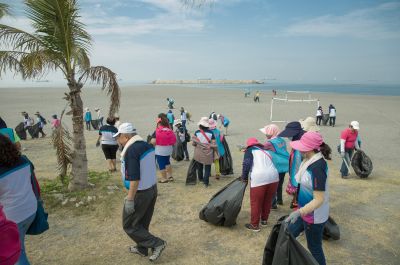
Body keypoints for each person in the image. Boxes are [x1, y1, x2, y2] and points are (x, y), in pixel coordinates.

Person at [114, 123, 167, 262]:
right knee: (142, 223)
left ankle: (157, 243)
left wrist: (130, 199)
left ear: (125, 137)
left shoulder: (131, 151)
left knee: (130, 225)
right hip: (152, 189)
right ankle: (142, 248)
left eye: (118, 137)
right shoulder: (146, 145)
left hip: (141, 193)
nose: (117, 140)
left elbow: (135, 178)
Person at [285, 131, 332, 265]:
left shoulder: (317, 168)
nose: (298, 149)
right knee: (288, 234)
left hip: (313, 217)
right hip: (304, 211)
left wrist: (299, 212)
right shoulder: (308, 161)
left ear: (310, 148)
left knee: (314, 247)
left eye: (301, 146)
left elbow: (319, 199)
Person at [0, 134, 37, 265]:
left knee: (17, 256)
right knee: (17, 248)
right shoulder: (23, 160)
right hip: (30, 209)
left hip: (14, 216)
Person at [241, 138, 279, 232]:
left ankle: (254, 225)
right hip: (274, 177)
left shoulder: (250, 150)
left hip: (259, 178)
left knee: (256, 202)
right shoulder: (266, 151)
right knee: (267, 200)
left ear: (249, 145)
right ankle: (264, 220)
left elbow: (246, 164)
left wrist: (244, 177)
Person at [259, 124, 289, 209]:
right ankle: (280, 200)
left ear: (271, 133)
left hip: (276, 166)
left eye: (267, 132)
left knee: (273, 185)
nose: (265, 134)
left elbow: (261, 149)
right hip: (284, 165)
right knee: (280, 184)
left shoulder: (269, 143)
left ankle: (273, 204)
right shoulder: (282, 140)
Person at [278, 121, 305, 209]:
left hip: (300, 178)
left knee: (300, 194)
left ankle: (297, 202)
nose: (289, 137)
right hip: (297, 175)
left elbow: (298, 165)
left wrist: (296, 180)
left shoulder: (301, 147)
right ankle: (295, 201)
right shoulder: (297, 143)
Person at [150, 113, 176, 183]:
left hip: (160, 150)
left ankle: (164, 178)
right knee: (167, 162)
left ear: (159, 123)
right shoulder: (169, 129)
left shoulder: (157, 131)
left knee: (161, 164)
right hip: (169, 149)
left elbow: (153, 141)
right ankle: (170, 176)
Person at [192, 117, 216, 187]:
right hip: (208, 153)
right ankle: (206, 182)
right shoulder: (211, 133)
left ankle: (200, 179)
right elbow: (213, 144)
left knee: (199, 166)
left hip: (199, 152)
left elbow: (194, 143)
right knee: (207, 167)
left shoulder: (197, 132)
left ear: (200, 125)